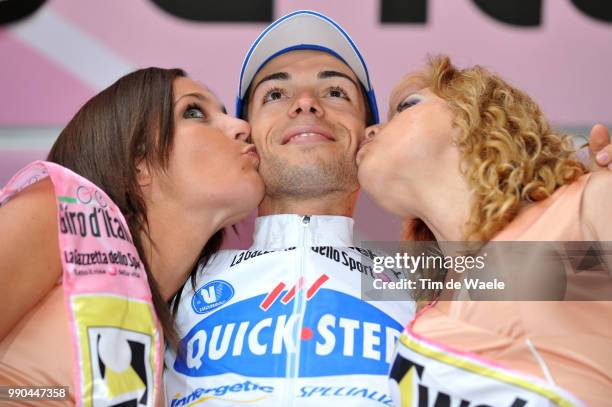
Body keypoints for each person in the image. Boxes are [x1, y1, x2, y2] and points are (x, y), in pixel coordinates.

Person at [163, 11, 415, 407]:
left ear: (370, 139)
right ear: (244, 140)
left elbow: (544, 269)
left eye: (335, 92)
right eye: (275, 95)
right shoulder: (168, 280)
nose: (305, 104)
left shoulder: (435, 278)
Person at [356, 55, 612, 406]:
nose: (371, 130)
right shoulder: (419, 317)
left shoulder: (585, 209)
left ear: (474, 118)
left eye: (405, 107)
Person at [0, 67, 263, 406]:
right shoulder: (62, 208)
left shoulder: (175, 344)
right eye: (194, 112)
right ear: (137, 161)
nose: (242, 127)